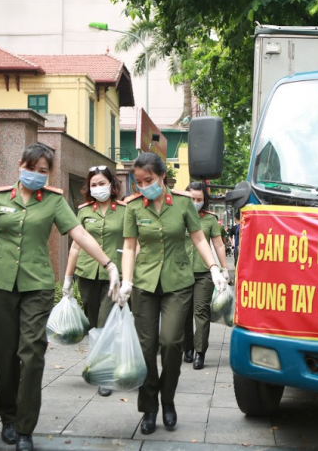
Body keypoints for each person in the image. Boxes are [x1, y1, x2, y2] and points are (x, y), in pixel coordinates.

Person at [0, 143, 121, 451]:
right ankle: (8, 417)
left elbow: (79, 234)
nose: (36, 175)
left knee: (31, 353)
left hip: (37, 286)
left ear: (49, 173)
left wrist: (109, 265)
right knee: (4, 354)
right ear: (20, 165)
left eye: (43, 171)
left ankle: (25, 429)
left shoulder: (54, 201)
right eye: (31, 168)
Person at [119, 152, 228, 435]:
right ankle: (149, 407)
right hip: (143, 284)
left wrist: (215, 268)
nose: (143, 186)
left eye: (149, 180)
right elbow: (129, 247)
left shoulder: (181, 203)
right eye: (139, 182)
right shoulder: (133, 207)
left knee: (170, 343)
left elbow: (199, 238)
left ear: (162, 176)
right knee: (146, 348)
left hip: (178, 283)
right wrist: (126, 281)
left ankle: (167, 399)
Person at [63, 165, 126, 397]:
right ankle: (98, 362)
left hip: (114, 276)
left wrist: (129, 276)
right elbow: (76, 247)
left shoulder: (124, 210)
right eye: (94, 185)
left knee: (106, 322)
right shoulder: (83, 211)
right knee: (92, 322)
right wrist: (68, 279)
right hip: (87, 274)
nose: (98, 188)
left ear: (112, 184)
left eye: (102, 183)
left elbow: (133, 244)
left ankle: (105, 373)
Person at [182, 182, 230, 370]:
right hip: (180, 271)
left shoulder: (210, 219)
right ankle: (187, 347)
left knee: (200, 311)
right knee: (183, 313)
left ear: (205, 200)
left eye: (199, 199)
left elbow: (218, 245)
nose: (195, 202)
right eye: (192, 199)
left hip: (204, 272)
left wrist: (224, 268)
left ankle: (200, 352)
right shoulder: (178, 216)